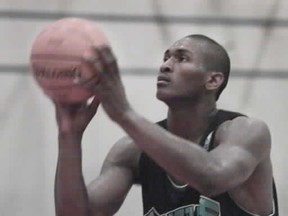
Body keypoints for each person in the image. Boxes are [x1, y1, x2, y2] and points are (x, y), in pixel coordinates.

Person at [53, 34, 278, 216]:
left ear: (213, 80)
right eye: (166, 58)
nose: (166, 66)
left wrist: (124, 114)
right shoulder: (132, 150)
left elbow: (212, 177)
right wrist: (69, 136)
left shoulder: (246, 132)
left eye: (181, 58)